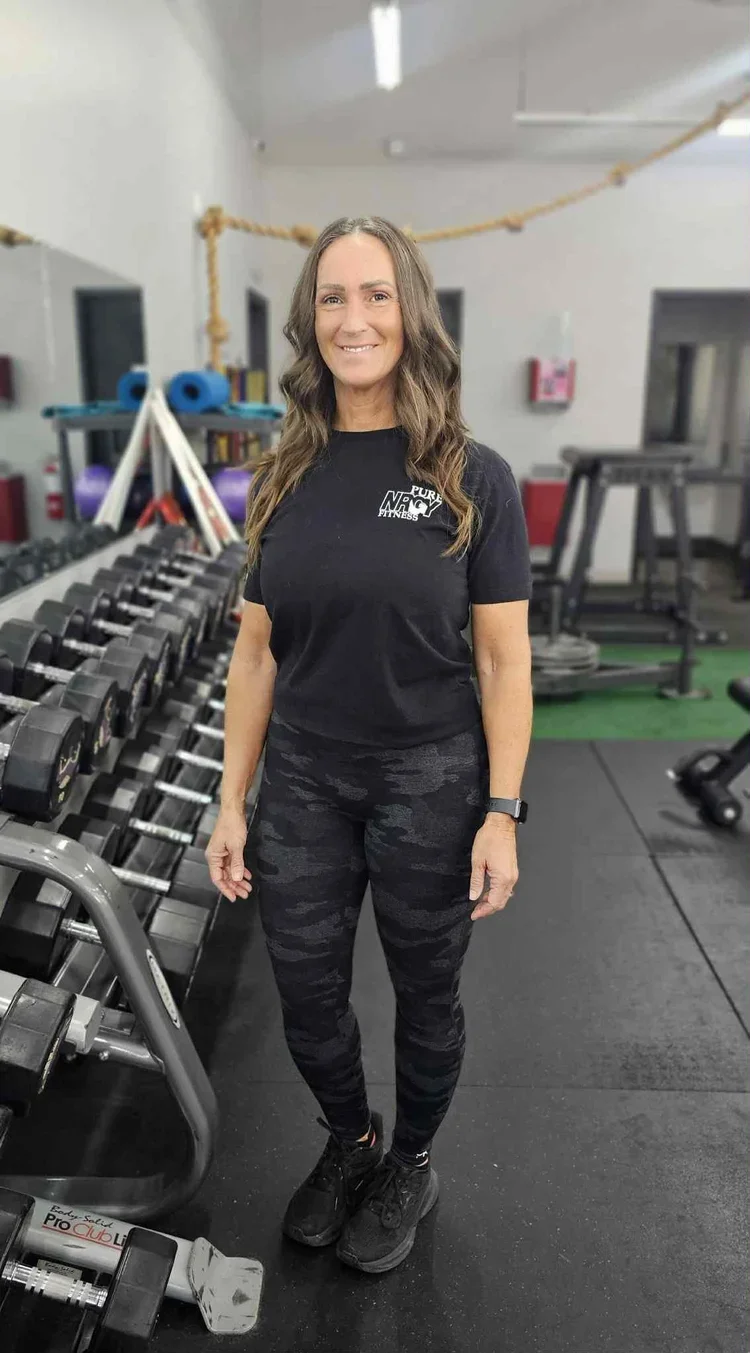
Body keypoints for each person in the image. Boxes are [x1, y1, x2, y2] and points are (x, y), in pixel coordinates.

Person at [205, 215, 533, 1276]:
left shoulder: (472, 475)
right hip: (303, 772)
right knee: (305, 990)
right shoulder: (283, 476)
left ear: (412, 313)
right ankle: (351, 1143)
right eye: (335, 298)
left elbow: (502, 666)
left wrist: (503, 811)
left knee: (426, 990)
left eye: (378, 295)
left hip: (432, 776)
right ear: (312, 321)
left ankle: (414, 1161)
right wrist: (231, 798)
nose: (355, 318)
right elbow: (256, 654)